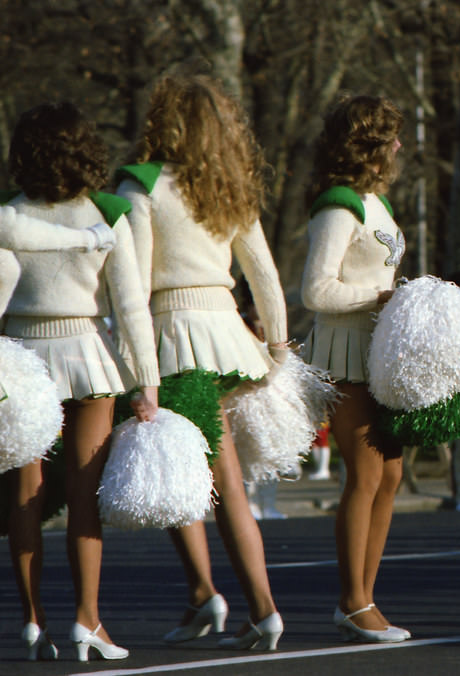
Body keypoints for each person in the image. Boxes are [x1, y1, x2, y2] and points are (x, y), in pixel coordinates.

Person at [116, 71, 287, 651]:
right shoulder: (228, 187)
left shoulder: (140, 187)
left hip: (171, 335)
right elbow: (265, 277)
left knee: (201, 475)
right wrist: (280, 348)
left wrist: (140, 374)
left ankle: (251, 606)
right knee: (198, 471)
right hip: (226, 333)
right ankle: (208, 596)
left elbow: (133, 291)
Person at [3, 101, 160, 662]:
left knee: (26, 492)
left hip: (19, 359)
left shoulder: (9, 213)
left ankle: (30, 621)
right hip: (88, 355)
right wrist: (148, 380)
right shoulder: (108, 211)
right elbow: (132, 306)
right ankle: (87, 622)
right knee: (83, 492)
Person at [300, 94, 410, 643]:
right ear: (370, 143)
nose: (399, 146)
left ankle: (366, 597)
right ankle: (353, 601)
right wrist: (380, 297)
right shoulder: (339, 204)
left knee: (389, 474)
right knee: (365, 475)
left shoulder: (374, 201)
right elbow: (316, 289)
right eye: (390, 137)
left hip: (378, 352)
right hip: (345, 353)